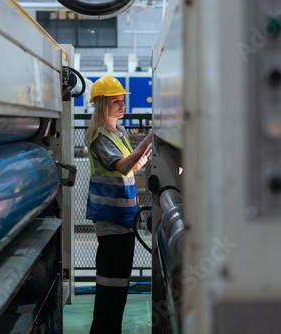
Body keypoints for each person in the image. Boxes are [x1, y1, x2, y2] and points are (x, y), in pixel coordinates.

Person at [86, 76, 152, 333]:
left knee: (119, 286)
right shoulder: (100, 137)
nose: (122, 105)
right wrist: (147, 140)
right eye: (116, 101)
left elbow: (131, 165)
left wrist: (143, 156)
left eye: (122, 100)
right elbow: (123, 166)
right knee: (110, 288)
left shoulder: (119, 133)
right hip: (112, 222)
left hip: (125, 220)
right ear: (103, 105)